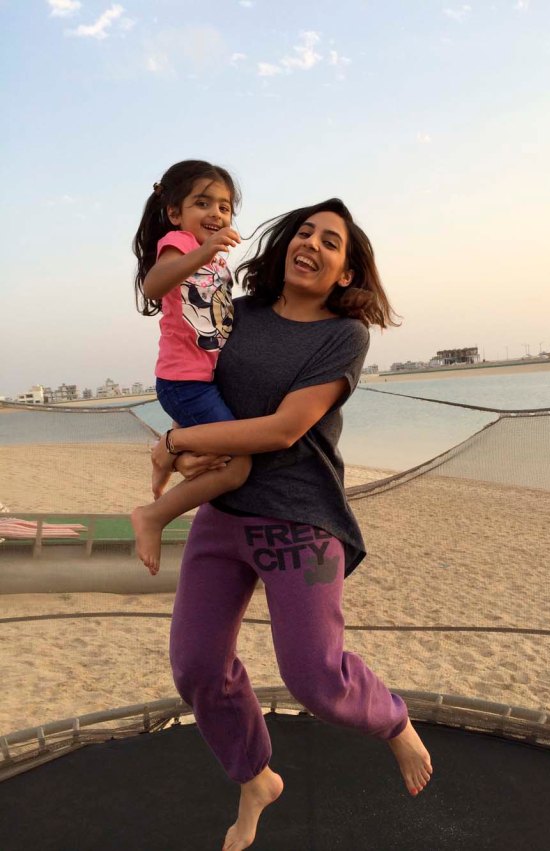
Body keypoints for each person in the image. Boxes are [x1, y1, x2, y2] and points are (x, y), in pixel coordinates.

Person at [150, 198, 433, 851]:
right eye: (304, 232)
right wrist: (182, 449)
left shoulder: (343, 336)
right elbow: (189, 375)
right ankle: (256, 778)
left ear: (345, 272)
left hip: (301, 520)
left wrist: (175, 442)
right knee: (195, 667)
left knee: (316, 679)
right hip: (223, 511)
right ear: (285, 245)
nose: (311, 244)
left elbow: (283, 429)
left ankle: (393, 721)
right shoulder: (238, 312)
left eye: (331, 242)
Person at [131, 160, 251, 573]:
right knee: (237, 465)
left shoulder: (215, 259)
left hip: (204, 380)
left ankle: (166, 454)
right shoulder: (179, 242)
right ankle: (153, 515)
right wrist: (203, 251)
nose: (216, 213)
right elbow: (154, 284)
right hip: (184, 383)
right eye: (203, 203)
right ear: (175, 213)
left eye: (224, 207)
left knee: (217, 454)